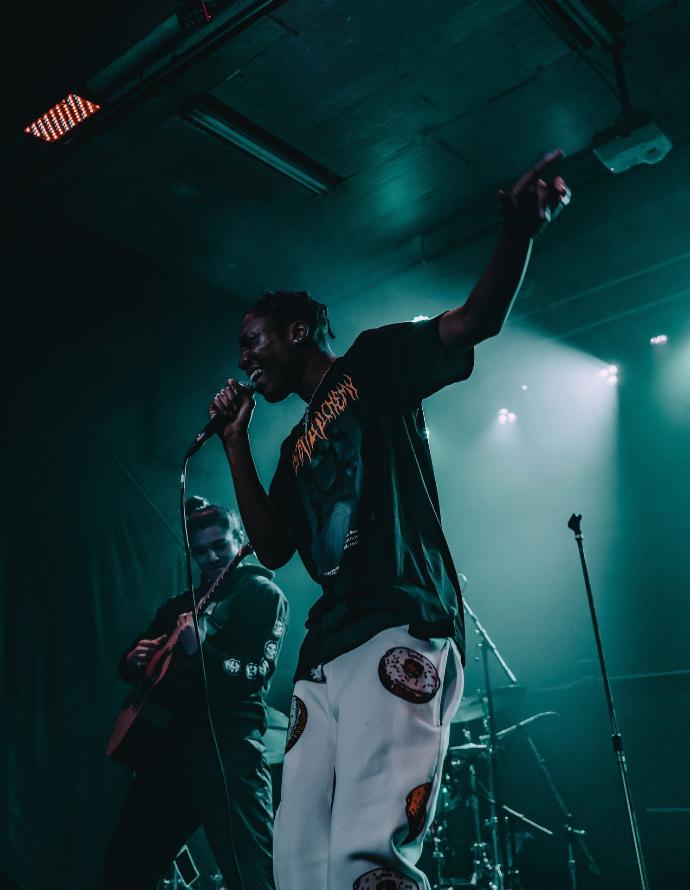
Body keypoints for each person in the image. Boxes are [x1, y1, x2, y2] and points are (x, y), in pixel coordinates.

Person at [209, 151, 570, 890]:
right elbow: (274, 548)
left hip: (398, 620)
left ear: (302, 328)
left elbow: (475, 321)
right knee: (300, 865)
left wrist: (519, 234)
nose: (246, 358)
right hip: (324, 653)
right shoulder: (288, 443)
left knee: (365, 859)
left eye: (255, 340)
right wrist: (236, 442)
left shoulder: (371, 363)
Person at [103, 497, 288, 890]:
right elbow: (141, 656)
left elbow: (256, 672)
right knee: (126, 867)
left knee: (253, 876)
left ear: (240, 539)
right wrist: (133, 660)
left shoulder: (262, 595)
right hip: (168, 750)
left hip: (230, 753)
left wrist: (201, 650)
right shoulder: (179, 605)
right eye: (200, 551)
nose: (211, 556)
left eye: (220, 545)